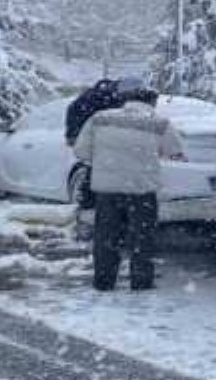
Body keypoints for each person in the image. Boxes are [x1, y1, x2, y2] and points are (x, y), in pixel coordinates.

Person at [72, 86, 185, 291]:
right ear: (151, 102)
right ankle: (141, 283)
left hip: (107, 190)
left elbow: (81, 152)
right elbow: (175, 152)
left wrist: (106, 163)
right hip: (142, 190)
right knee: (142, 238)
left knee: (106, 237)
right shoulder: (159, 123)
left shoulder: (100, 118)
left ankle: (103, 282)